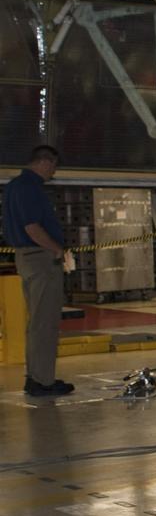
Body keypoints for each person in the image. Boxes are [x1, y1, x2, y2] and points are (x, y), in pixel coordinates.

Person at [2, 145, 75, 396]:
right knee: (45, 323)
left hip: (27, 259)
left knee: (37, 322)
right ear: (45, 162)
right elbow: (32, 227)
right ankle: (42, 381)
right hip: (40, 259)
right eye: (53, 166)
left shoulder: (13, 187)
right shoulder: (29, 188)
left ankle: (35, 377)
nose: (53, 172)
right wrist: (56, 250)